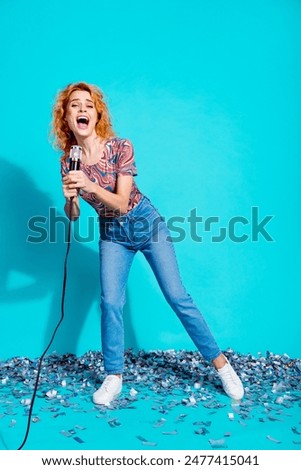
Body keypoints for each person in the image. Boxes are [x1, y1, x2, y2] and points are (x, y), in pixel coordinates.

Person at [51, 82, 244, 405]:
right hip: (113, 235)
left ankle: (222, 366)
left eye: (88, 104)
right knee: (110, 302)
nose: (82, 109)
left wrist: (88, 185)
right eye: (74, 105)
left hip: (146, 224)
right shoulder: (67, 162)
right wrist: (70, 198)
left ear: (97, 113)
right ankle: (113, 376)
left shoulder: (120, 147)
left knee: (177, 296)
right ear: (66, 118)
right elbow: (73, 215)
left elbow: (123, 202)